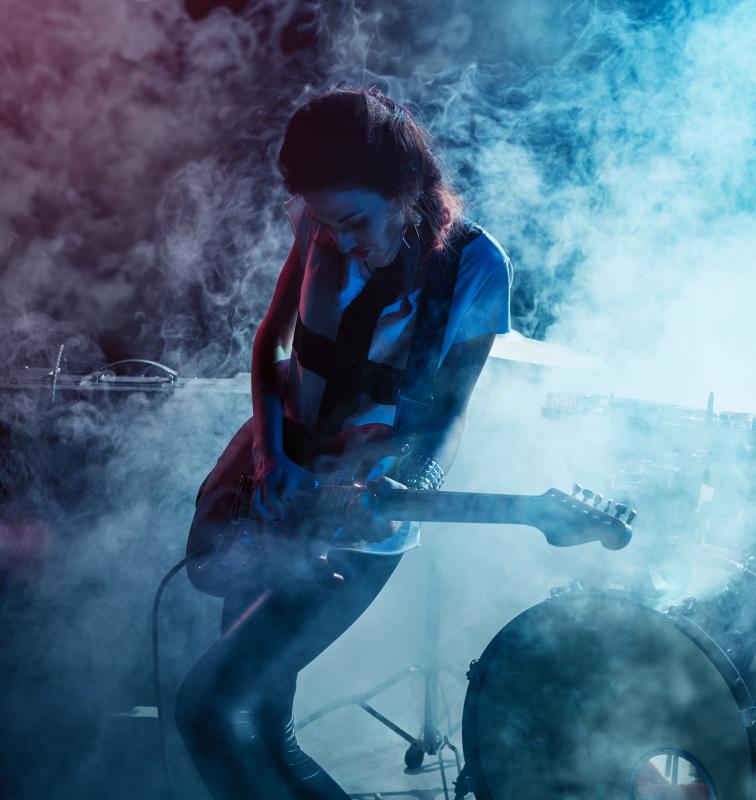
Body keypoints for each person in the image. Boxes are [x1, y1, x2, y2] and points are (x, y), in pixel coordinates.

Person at [175, 86, 513, 800]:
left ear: (406, 189)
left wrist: (409, 488)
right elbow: (274, 344)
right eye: (328, 224)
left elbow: (448, 417)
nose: (341, 240)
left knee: (209, 709)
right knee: (263, 724)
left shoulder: (477, 269)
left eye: (355, 221)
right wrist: (267, 459)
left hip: (359, 530)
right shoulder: (319, 225)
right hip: (268, 490)